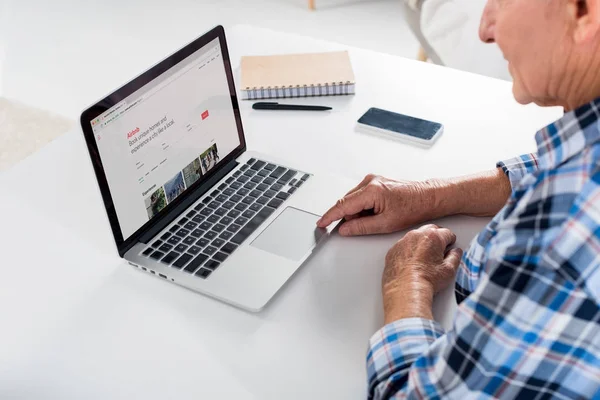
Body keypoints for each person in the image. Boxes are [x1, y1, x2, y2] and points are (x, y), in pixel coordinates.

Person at [317, 0, 600, 398]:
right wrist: (428, 195)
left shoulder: (558, 244)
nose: (485, 29)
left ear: (584, 12)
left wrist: (406, 285)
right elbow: (558, 163)